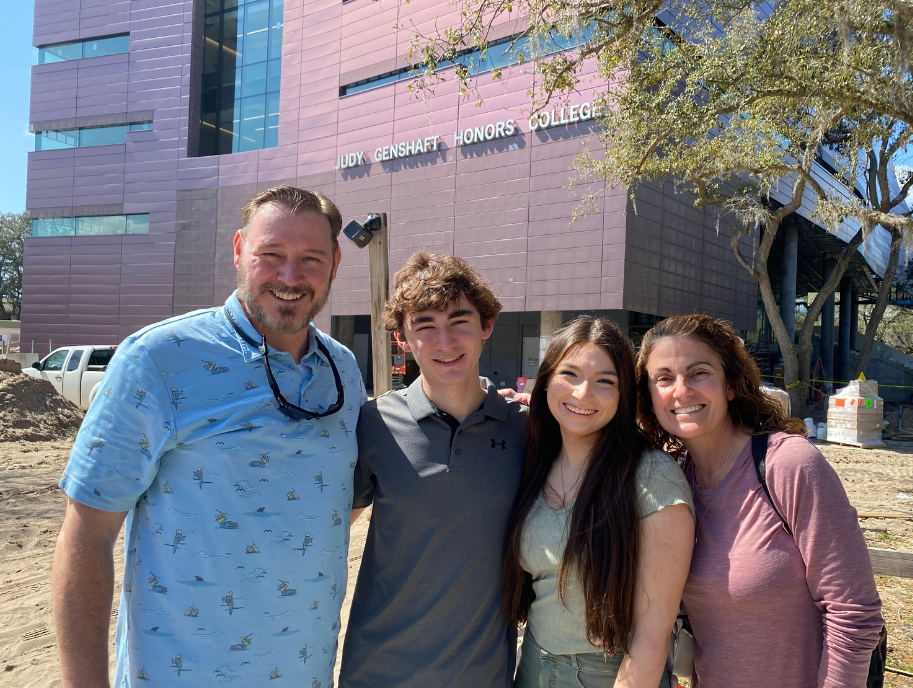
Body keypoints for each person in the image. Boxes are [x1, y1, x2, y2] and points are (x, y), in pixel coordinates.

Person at [52, 186, 366, 687]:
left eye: (311, 257)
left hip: (304, 672)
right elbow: (87, 535)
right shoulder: (159, 359)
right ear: (240, 250)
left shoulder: (343, 371)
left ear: (334, 263)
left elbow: (332, 500)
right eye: (272, 255)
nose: (290, 276)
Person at [635, 314, 883, 688]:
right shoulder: (673, 483)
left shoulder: (788, 464)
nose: (681, 390)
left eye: (699, 372)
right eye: (664, 378)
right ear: (650, 397)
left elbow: (853, 613)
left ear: (731, 384)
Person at [341, 251, 529, 688]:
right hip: (378, 670)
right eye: (425, 325)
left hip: (482, 674)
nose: (445, 342)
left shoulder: (528, 431)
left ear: (487, 326)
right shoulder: (373, 424)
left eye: (459, 320)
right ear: (402, 339)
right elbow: (328, 538)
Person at [507, 316, 695, 688]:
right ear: (546, 381)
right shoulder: (533, 461)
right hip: (531, 663)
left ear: (624, 394)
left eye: (605, 381)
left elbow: (651, 638)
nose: (582, 394)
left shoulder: (650, 476)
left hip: (608, 673)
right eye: (570, 374)